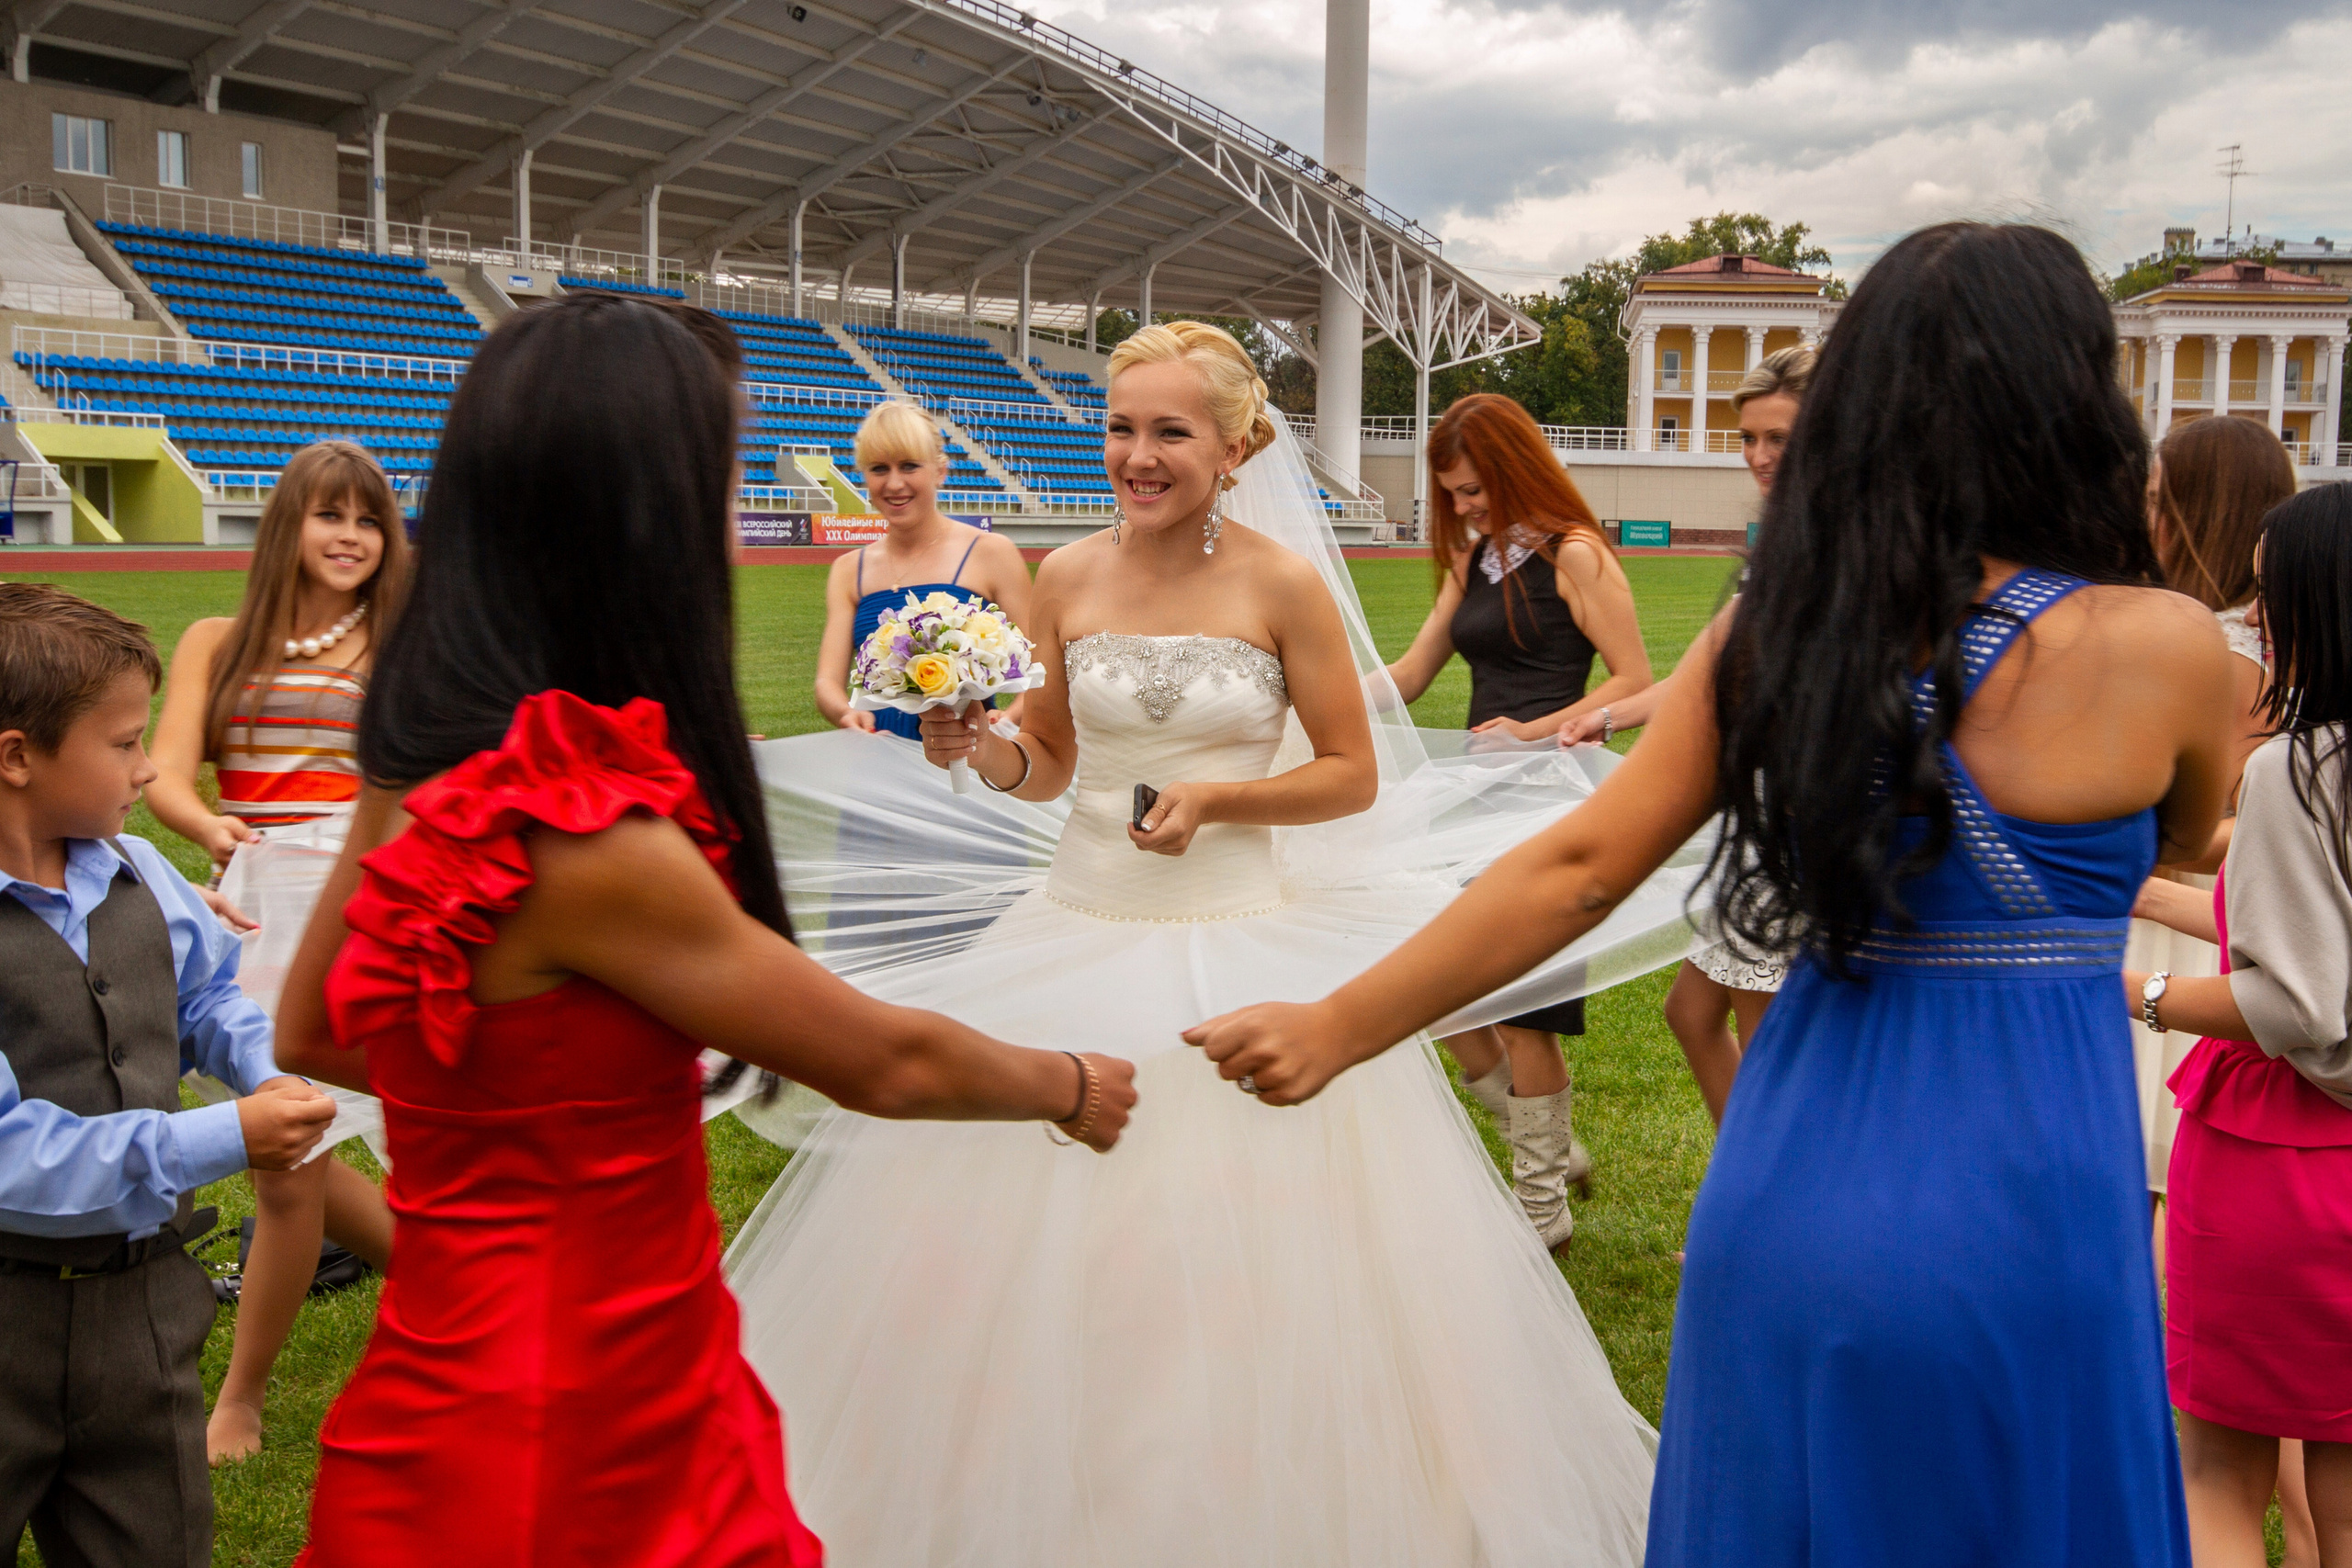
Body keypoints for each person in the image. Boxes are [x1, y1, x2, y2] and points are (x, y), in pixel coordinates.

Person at [1190, 222, 2242, 1565]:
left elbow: (1579, 869)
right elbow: (2187, 836)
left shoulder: (1788, 626)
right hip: (2038, 1187)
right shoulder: (2168, 647)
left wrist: (1341, 1023)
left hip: (1800, 1169)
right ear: (2079, 400)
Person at [727, 321, 1689, 1567]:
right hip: (1071, 932)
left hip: (1240, 945)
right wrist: (980, 747)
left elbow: (1349, 774)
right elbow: (1050, 761)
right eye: (1121, 427)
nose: (1138, 454)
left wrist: (1220, 799)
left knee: (1254, 1264)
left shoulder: (1282, 585)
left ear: (1234, 449)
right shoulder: (1066, 575)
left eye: (1170, 431)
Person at [266, 293, 1135, 1566]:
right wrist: (1073, 1084)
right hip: (588, 1422)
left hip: (446, 1374)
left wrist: (514, 1115)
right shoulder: (586, 837)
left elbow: (314, 1025)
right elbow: (883, 1061)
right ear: (641, 520)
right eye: (717, 485)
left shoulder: (421, 759)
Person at [0, 581, 335, 1568]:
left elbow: (207, 997)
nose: (150, 769)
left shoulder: (140, 871)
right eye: (124, 743)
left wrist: (264, 1071)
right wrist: (226, 1135)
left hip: (141, 1314)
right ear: (17, 757)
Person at [145, 438, 408, 1463]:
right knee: (288, 1152)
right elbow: (168, 774)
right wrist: (208, 826)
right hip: (255, 907)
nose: (351, 536)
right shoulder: (216, 640)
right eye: (329, 514)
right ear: (285, 524)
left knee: (363, 1145)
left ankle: (248, 1393)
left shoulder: (400, 640)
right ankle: (249, 1392)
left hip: (364, 904)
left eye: (369, 519)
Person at [2125, 481, 2352, 1568]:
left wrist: (2134, 994)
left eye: (2271, 593)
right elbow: (2289, 910)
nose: (2255, 617)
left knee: (2217, 1477)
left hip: (2281, 1157)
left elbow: (2294, 1000)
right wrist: (2140, 888)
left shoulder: (2294, 768)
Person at [1376, 391, 1653, 1245]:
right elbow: (1411, 674)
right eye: (1452, 494)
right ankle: (1551, 1148)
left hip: (1549, 804)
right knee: (1437, 988)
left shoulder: (1578, 555)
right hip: (1471, 805)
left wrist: (1532, 733)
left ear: (1514, 467)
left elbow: (1634, 682)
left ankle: (1542, 1207)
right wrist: (1300, 695)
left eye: (1473, 488)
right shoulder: (1473, 561)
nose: (1462, 506)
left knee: (1528, 1010)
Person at [1560, 344, 1814, 1124]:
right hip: (1755, 815)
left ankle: (1765, 1197)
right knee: (1691, 1013)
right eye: (1749, 438)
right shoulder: (1788, 539)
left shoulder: (1833, 546)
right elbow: (1711, 671)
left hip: (1794, 825)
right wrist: (1608, 715)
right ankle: (1749, 1183)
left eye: (1779, 438)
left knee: (1765, 1051)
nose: (1759, 456)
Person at [2127, 414, 2292, 1201]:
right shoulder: (2214, 634)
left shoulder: (2228, 650)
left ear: (2204, 511)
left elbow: (2246, 821)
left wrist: (2125, 842)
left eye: (2161, 499)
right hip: (2167, 899)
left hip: (2182, 915)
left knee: (2148, 1162)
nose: (2147, 515)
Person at [813, 400, 1033, 738]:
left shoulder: (992, 553)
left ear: (940, 471)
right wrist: (847, 714)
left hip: (968, 752)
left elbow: (1041, 667)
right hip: (879, 752)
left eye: (909, 466)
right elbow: (827, 682)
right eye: (879, 469)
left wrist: (1008, 718)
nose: (894, 484)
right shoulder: (848, 570)